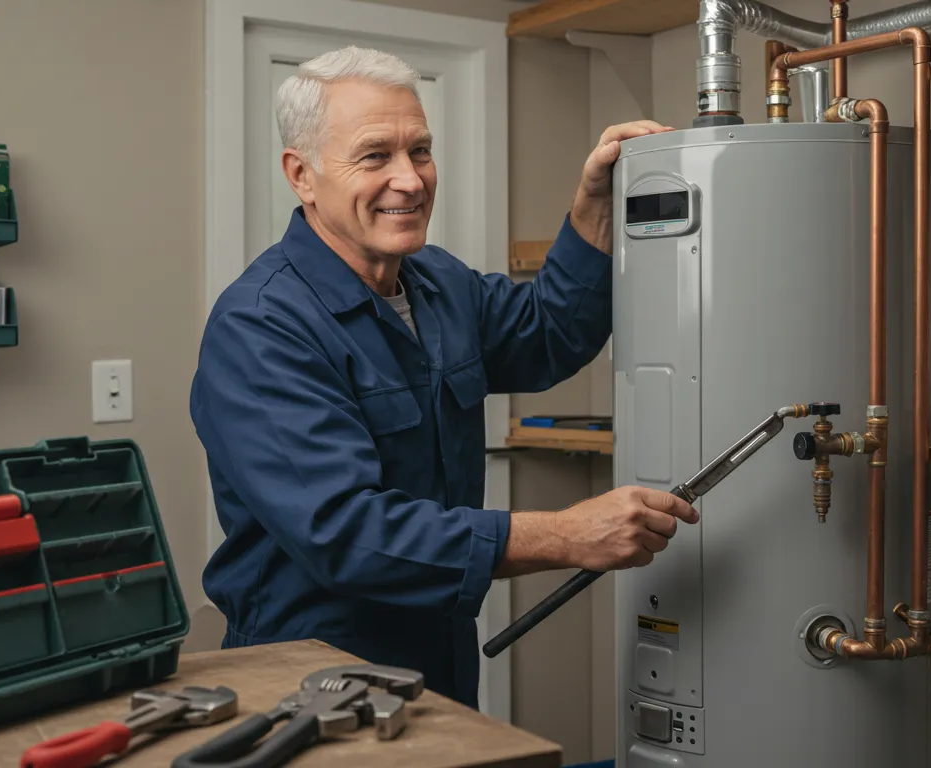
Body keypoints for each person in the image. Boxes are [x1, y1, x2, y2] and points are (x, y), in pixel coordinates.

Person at [190, 46, 696, 708]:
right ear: (302, 175)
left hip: (440, 661)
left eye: (420, 151)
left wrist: (592, 205)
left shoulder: (438, 284)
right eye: (375, 156)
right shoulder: (260, 327)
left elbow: (549, 334)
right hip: (311, 678)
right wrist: (569, 534)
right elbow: (347, 531)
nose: (410, 179)